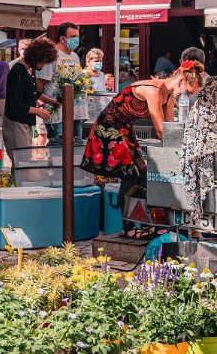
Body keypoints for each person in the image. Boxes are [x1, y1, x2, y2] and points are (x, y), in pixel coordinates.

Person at [81, 60, 204, 236]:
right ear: (181, 81)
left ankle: (147, 223)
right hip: (108, 127)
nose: (186, 97)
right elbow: (160, 129)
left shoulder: (169, 97)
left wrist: (181, 148)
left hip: (125, 130)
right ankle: (128, 228)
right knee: (130, 174)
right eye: (189, 92)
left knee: (143, 175)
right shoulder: (153, 91)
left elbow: (168, 130)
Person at [2, 39, 56, 165]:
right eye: (42, 62)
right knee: (21, 159)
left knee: (24, 158)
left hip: (24, 121)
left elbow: (32, 91)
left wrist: (50, 100)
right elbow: (15, 103)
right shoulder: (18, 71)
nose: (42, 66)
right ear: (36, 57)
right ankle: (17, 183)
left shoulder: (30, 70)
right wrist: (38, 111)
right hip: (16, 121)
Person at [36, 22, 84, 140]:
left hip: (75, 112)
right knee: (58, 152)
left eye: (77, 36)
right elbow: (39, 85)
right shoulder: (51, 56)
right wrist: (47, 102)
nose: (76, 40)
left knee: (76, 151)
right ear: (62, 39)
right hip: (57, 114)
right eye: (73, 37)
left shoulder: (75, 56)